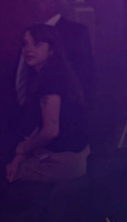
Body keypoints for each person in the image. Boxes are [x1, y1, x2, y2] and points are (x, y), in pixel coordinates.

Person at [7, 23, 90, 182]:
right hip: (73, 154)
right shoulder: (51, 74)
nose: (28, 49)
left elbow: (51, 131)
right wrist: (20, 154)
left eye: (37, 44)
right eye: (25, 44)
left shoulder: (51, 80)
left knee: (3, 175)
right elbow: (38, 126)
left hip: (65, 160)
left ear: (52, 50)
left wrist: (23, 150)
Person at [16, 0, 94, 106]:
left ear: (56, 3)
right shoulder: (29, 31)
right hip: (29, 104)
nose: (35, 2)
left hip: (63, 104)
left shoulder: (75, 32)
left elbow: (85, 72)